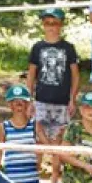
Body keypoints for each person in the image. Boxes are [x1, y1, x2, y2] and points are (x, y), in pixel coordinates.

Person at [28, 8, 81, 146]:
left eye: (54, 23)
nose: (51, 26)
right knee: (39, 139)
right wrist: (29, 99)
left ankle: (56, 161)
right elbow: (31, 75)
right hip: (41, 101)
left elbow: (75, 75)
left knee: (60, 139)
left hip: (62, 102)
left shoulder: (68, 48)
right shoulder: (37, 47)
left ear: (61, 25)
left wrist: (72, 99)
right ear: (43, 25)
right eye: (47, 23)